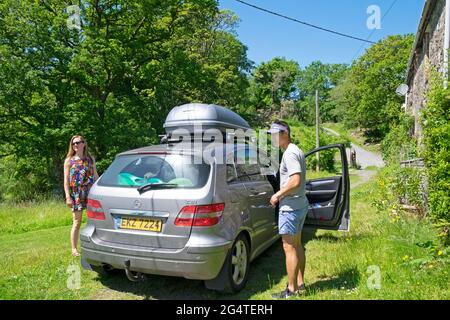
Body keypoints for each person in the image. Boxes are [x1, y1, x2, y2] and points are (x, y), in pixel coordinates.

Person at [267, 120, 309, 299]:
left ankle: (290, 290)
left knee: (289, 248)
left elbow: (295, 181)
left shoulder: (290, 154)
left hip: (290, 208)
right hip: (300, 206)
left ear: (285, 133)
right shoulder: (296, 150)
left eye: (275, 134)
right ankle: (300, 285)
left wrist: (278, 194)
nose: (273, 138)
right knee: (297, 245)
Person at [63, 135, 99, 257]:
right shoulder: (69, 161)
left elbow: (95, 177)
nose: (75, 145)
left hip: (90, 193)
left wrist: (99, 192)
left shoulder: (90, 159)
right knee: (77, 222)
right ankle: (74, 249)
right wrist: (68, 196)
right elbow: (66, 181)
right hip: (76, 194)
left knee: (95, 220)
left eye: (78, 143)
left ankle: (95, 246)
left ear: (84, 144)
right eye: (73, 143)